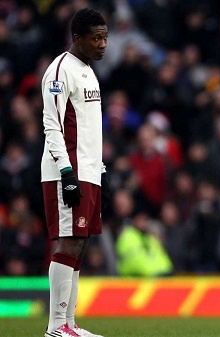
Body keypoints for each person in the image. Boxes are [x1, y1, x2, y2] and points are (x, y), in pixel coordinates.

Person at [40, 8, 109, 337]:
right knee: (67, 241)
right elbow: (51, 125)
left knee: (80, 244)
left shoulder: (88, 72)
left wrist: (99, 169)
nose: (103, 44)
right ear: (77, 38)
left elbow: (88, 129)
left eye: (105, 37)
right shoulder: (58, 71)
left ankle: (69, 324)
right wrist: (66, 172)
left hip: (89, 171)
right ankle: (55, 327)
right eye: (96, 38)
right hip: (66, 171)